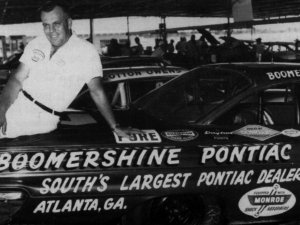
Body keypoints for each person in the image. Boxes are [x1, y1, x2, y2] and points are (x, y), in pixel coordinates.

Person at [0, 1, 131, 138]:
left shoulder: (86, 51)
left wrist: (115, 126)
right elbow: (16, 79)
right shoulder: (36, 43)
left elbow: (96, 91)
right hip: (17, 103)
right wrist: (2, 108)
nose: (51, 31)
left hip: (40, 117)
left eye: (56, 24)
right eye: (46, 25)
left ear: (68, 23)